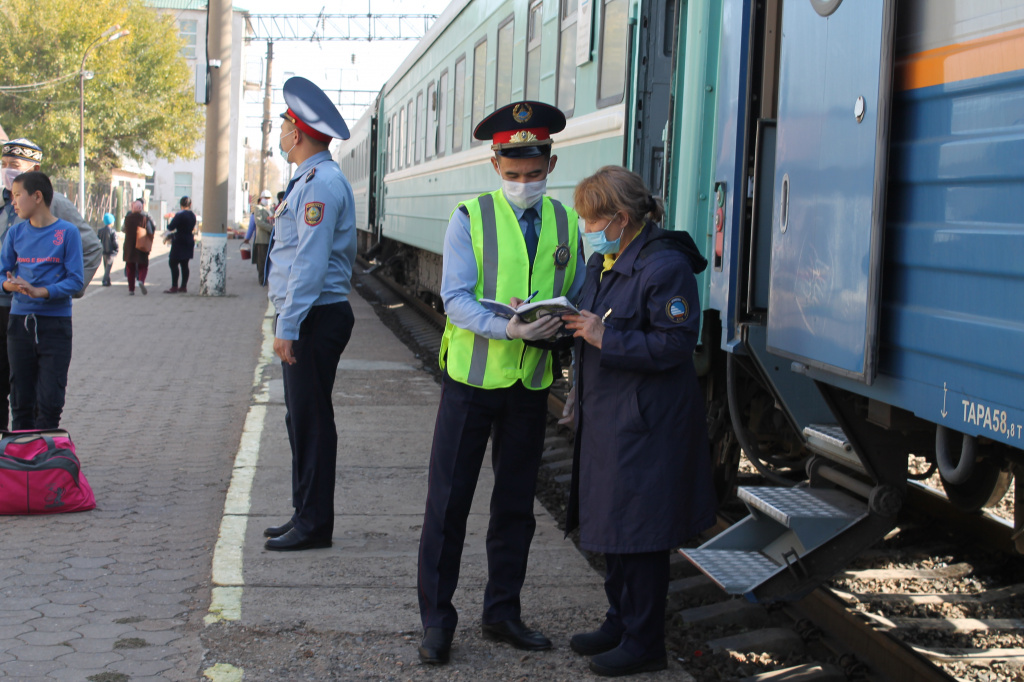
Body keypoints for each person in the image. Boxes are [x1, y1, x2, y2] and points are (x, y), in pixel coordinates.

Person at [416, 100, 585, 666]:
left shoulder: (565, 224)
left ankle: (502, 613)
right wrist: (509, 326)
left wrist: (559, 320)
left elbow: (577, 292)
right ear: (495, 167)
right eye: (513, 175)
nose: (523, 184)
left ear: (550, 165)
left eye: (533, 174)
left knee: (515, 506)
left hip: (529, 385)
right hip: (471, 382)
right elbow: (456, 298)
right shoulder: (470, 217)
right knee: (450, 504)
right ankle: (437, 622)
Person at [560, 166, 716, 677]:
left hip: (645, 424)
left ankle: (644, 642)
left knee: (641, 534)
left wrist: (607, 339)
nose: (586, 227)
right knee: (611, 525)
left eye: (592, 218)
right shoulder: (605, 260)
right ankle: (618, 621)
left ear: (621, 218)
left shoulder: (663, 267)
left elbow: (676, 344)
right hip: (609, 417)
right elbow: (588, 322)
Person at [261, 77, 357, 552]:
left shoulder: (320, 186)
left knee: (311, 421)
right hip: (312, 315)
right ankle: (304, 513)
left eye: (282, 125)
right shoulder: (309, 181)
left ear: (296, 134)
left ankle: (314, 524)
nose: (280, 133)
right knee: (300, 420)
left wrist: (289, 325)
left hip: (316, 317)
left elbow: (309, 265)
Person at [0, 171, 84, 430]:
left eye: (17, 196)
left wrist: (41, 291)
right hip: (19, 324)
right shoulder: (15, 233)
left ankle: (44, 462)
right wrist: (10, 285)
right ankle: (23, 463)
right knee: (21, 402)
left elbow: (76, 280)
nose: (13, 202)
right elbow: (2, 274)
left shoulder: (67, 232)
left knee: (50, 403)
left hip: (55, 326)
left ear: (37, 196)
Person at [0, 139, 102, 294]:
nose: (7, 170)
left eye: (14, 165)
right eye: (3, 164)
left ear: (35, 169)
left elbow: (91, 248)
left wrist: (62, 289)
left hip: (36, 305)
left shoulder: (53, 203)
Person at [121, 199, 154, 295]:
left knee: (130, 267)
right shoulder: (144, 219)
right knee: (143, 265)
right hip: (141, 245)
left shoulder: (127, 218)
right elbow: (150, 231)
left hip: (129, 246)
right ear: (141, 208)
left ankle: (131, 289)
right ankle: (141, 280)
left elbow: (123, 229)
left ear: (133, 208)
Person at [164, 196, 196, 294]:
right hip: (189, 239)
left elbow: (171, 227)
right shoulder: (192, 215)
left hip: (179, 240)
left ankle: (174, 286)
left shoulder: (179, 215)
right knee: (185, 264)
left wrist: (168, 221)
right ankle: (183, 286)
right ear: (190, 205)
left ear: (180, 204)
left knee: (173, 262)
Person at [245, 189, 273, 285]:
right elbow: (259, 222)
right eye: (265, 198)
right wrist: (271, 228)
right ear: (261, 198)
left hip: (272, 239)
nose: (267, 200)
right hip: (262, 239)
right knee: (262, 261)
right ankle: (262, 279)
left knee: (270, 260)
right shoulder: (258, 208)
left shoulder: (272, 209)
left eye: (269, 198)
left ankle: (269, 278)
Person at [98, 212, 118, 286]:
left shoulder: (100, 231)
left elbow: (98, 239)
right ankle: (104, 280)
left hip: (104, 251)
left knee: (106, 266)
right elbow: (115, 242)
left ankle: (108, 281)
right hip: (111, 251)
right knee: (108, 267)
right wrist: (117, 249)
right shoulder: (113, 231)